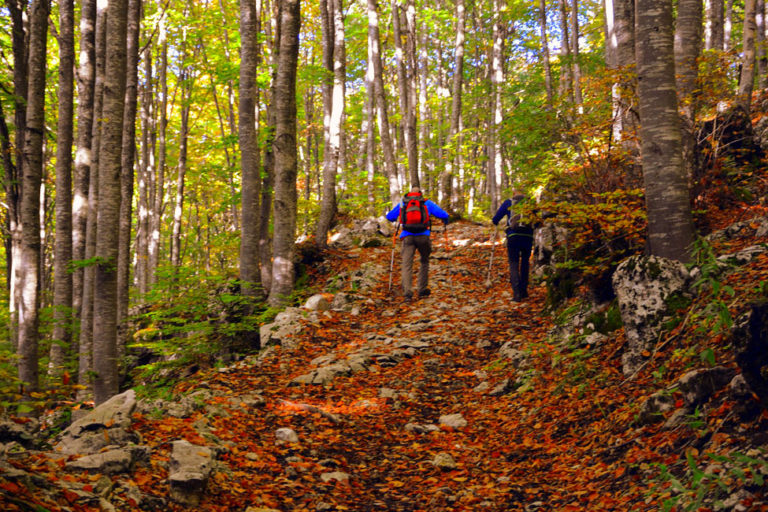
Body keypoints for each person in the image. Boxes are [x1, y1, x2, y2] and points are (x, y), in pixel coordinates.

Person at [386, 186, 450, 302]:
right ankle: (422, 289)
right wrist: (446, 221)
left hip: (407, 236)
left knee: (407, 265)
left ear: (410, 193)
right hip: (423, 236)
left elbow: (389, 217)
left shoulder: (403, 203)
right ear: (420, 193)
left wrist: (397, 219)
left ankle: (407, 294)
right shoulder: (426, 202)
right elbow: (443, 214)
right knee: (424, 261)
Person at [492, 192, 534, 302]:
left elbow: (496, 219)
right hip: (527, 236)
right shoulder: (530, 203)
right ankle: (524, 291)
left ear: (514, 194)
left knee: (514, 263)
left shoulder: (509, 202)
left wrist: (497, 223)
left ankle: (517, 294)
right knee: (525, 263)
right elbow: (538, 220)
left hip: (513, 236)